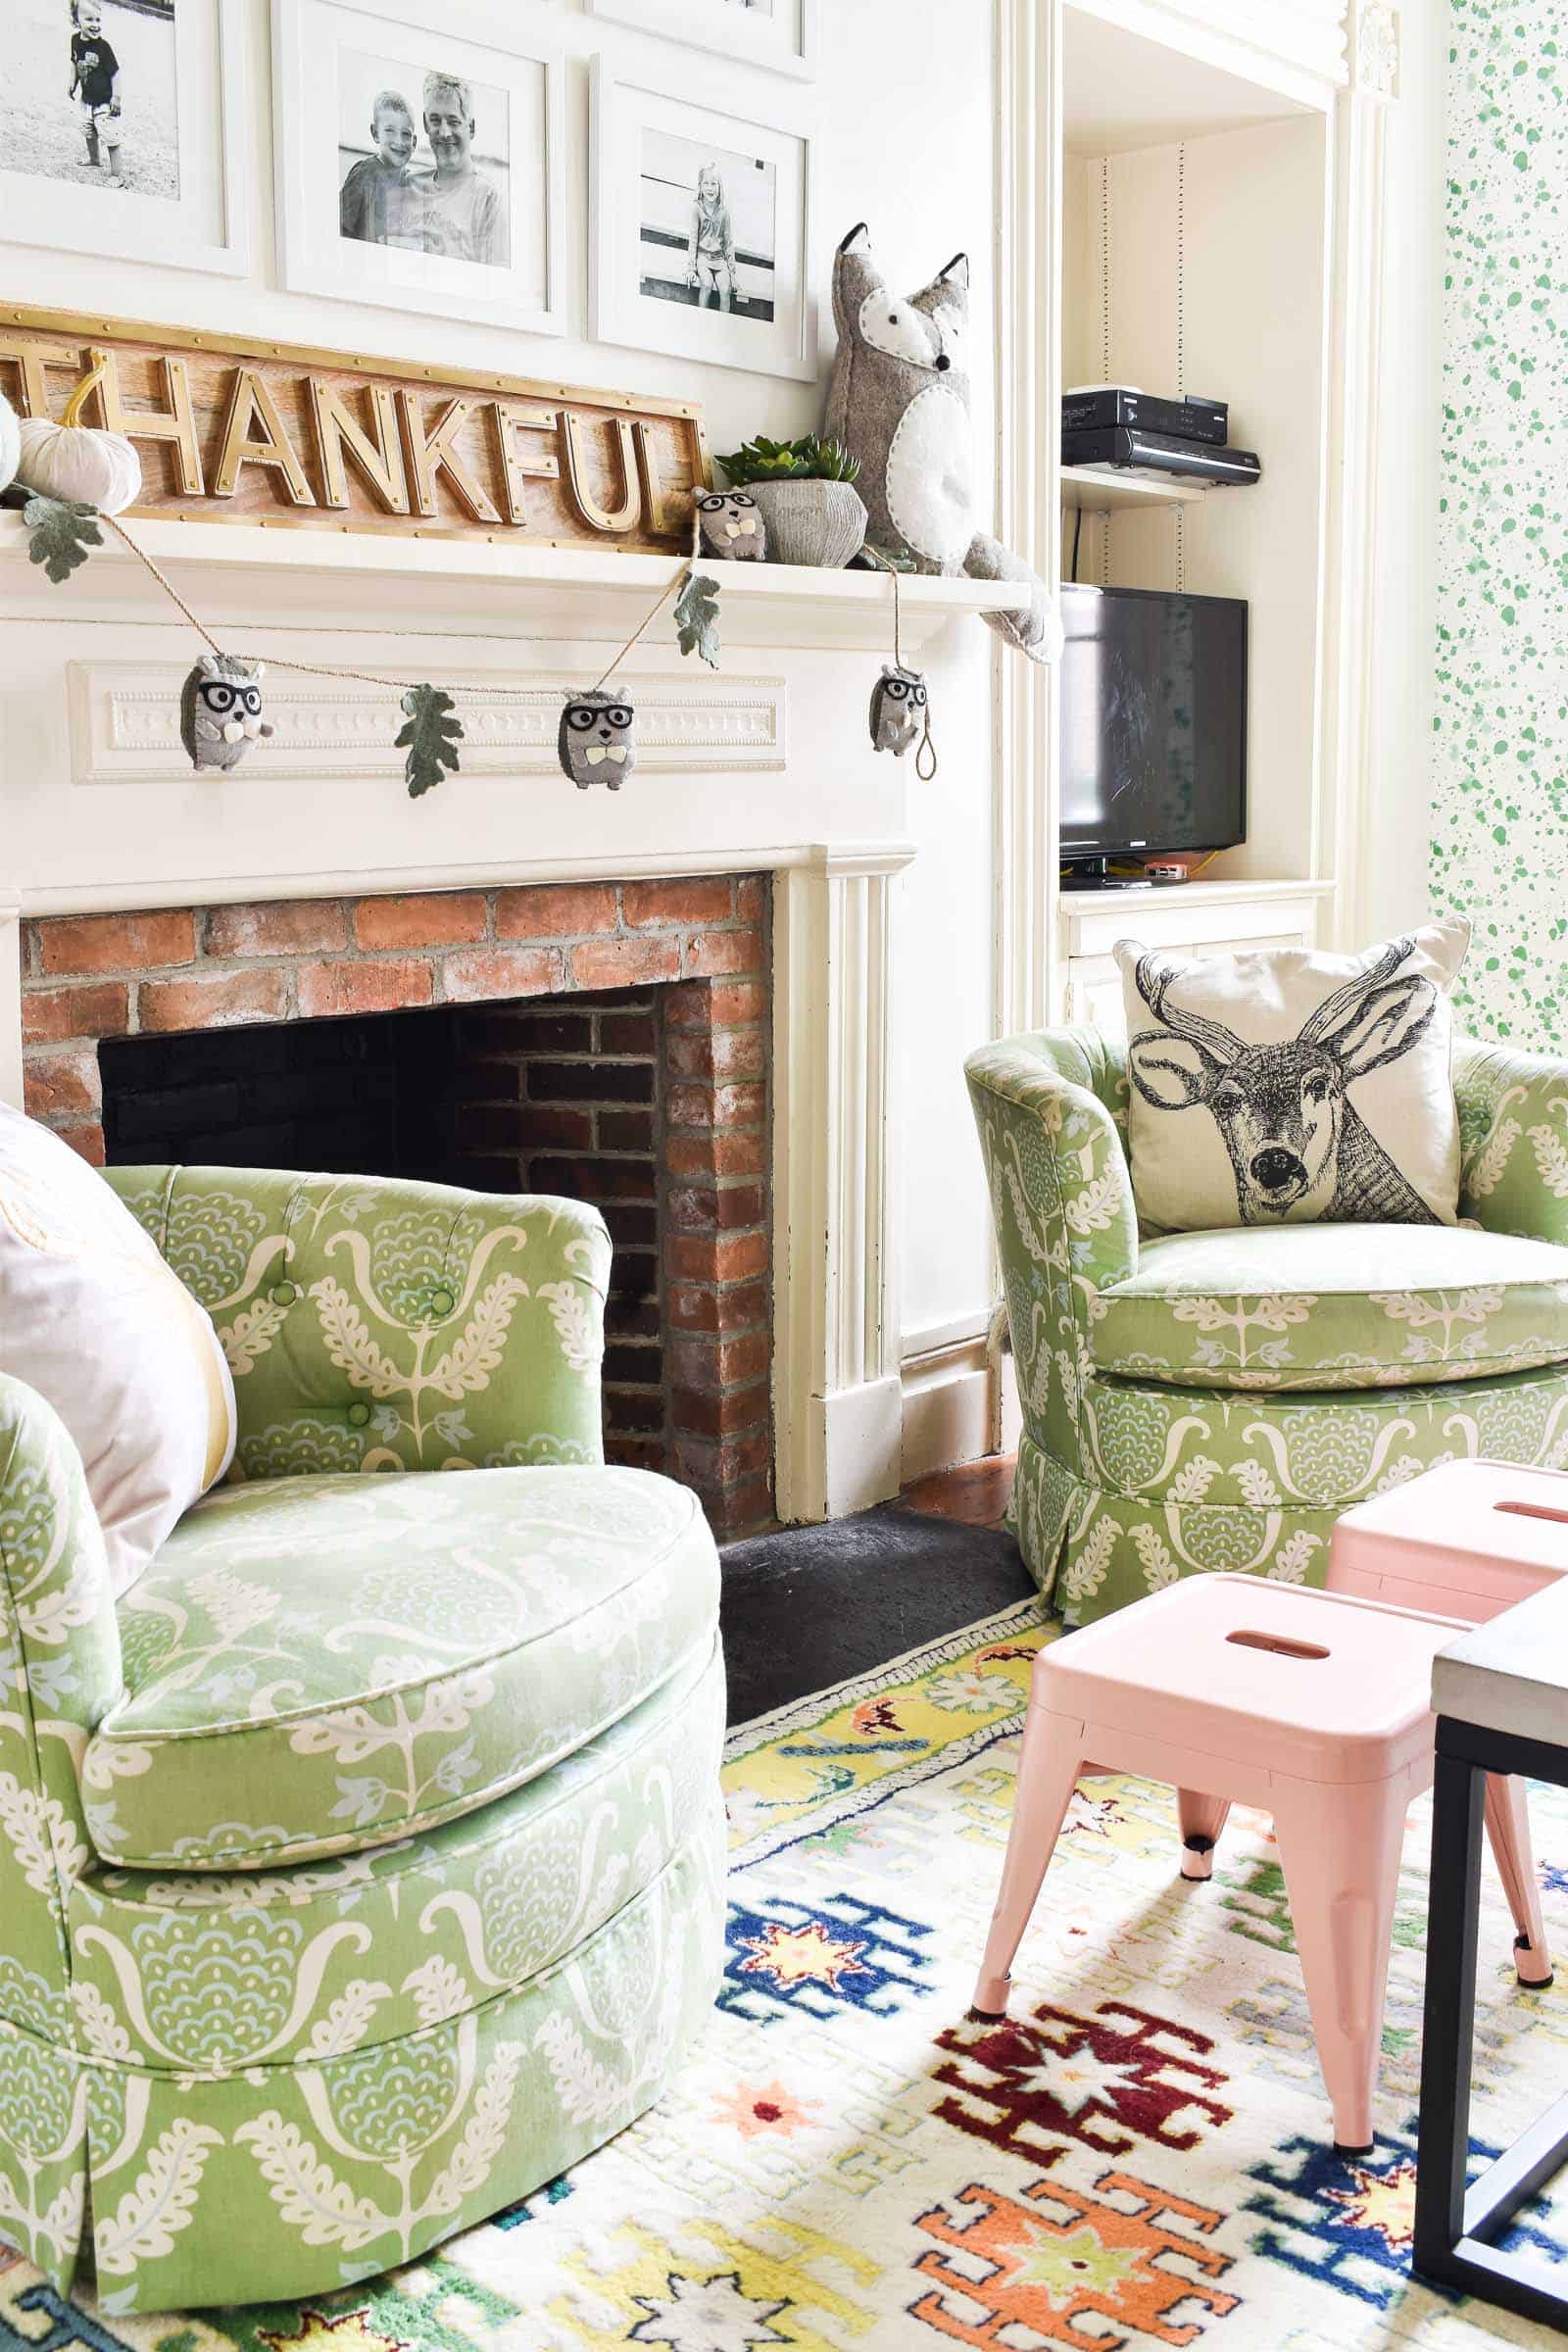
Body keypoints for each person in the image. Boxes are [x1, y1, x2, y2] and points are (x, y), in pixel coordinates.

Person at [416, 73, 506, 267]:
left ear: (471, 127)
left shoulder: (488, 197)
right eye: (435, 120)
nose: (444, 132)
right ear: (425, 123)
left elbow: (495, 280)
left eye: (453, 121)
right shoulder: (412, 186)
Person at [338, 88, 416, 245]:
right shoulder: (364, 174)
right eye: (389, 131)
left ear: (414, 142)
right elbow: (341, 226)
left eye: (405, 134)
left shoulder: (412, 183)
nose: (399, 141)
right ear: (375, 133)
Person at [69, 0, 122, 190]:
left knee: (110, 137)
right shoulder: (75, 40)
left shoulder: (103, 47)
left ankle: (116, 175)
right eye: (89, 19)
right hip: (86, 100)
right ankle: (94, 159)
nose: (95, 24)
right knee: (88, 131)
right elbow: (75, 63)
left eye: (98, 19)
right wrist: (72, 82)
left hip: (104, 102)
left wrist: (116, 97)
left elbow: (115, 73)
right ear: (76, 21)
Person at [686, 163, 736, 313]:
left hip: (720, 260)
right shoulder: (696, 208)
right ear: (700, 187)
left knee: (726, 290)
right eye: (706, 184)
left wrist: (732, 272)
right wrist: (691, 268)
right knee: (706, 285)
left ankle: (723, 327)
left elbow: (728, 244)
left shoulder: (724, 213)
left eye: (714, 184)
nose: (710, 188)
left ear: (720, 187)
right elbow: (693, 239)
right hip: (703, 257)